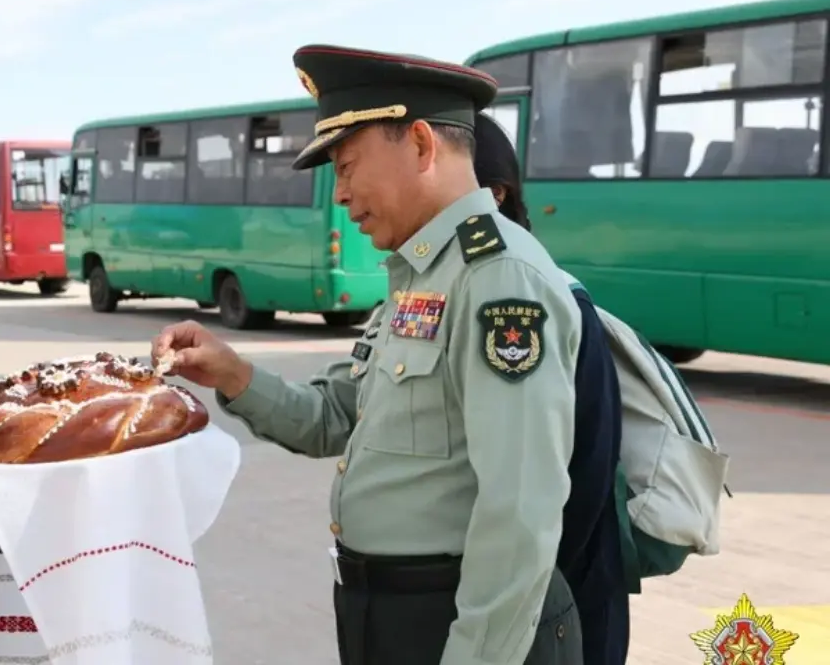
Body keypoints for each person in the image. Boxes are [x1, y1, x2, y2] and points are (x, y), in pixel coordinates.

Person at [153, 44, 584, 665]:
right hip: (389, 616)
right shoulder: (420, 274)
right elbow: (337, 416)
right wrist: (233, 373)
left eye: (349, 166)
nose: (342, 194)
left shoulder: (497, 279)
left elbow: (521, 511)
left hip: (460, 623)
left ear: (420, 144)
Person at [473, 113, 629, 664]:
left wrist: (531, 583)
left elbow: (585, 464)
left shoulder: (544, 296)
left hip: (567, 597)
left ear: (493, 193)